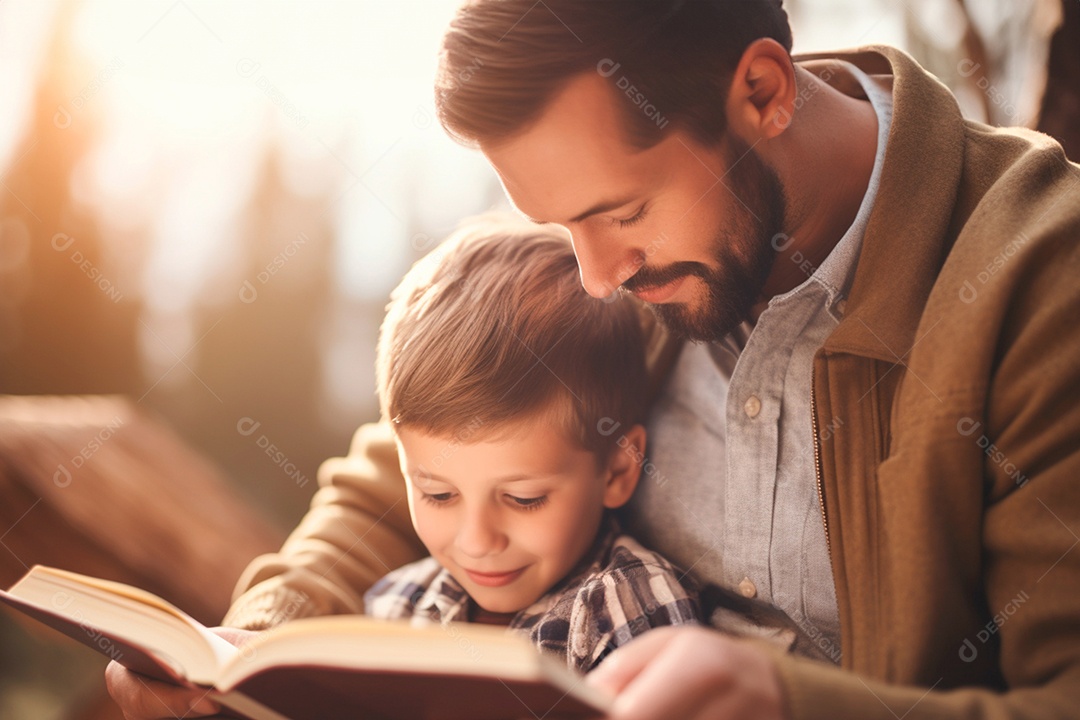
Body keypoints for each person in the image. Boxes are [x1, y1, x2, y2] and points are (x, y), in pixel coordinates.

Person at [109, 1, 1080, 718]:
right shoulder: (610, 260)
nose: (597, 275)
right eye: (558, 223)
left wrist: (790, 704)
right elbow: (387, 485)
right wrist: (252, 642)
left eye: (620, 213)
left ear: (764, 93)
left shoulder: (1040, 284)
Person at [363, 216, 701, 672]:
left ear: (618, 471)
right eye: (438, 495)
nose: (477, 541)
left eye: (524, 499)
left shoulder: (624, 607)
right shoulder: (395, 609)